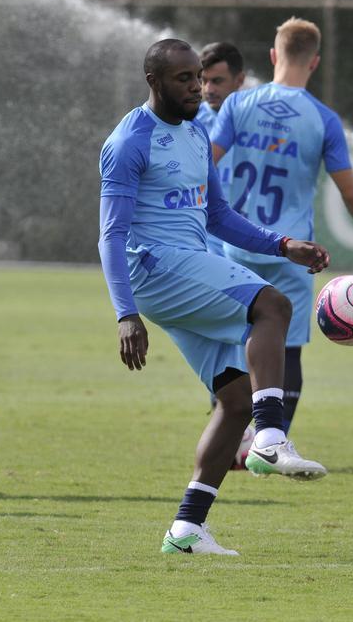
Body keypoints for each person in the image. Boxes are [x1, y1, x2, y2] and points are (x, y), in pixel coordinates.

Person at [99, 38, 330, 556]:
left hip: (186, 263)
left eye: (199, 78)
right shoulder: (129, 141)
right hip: (156, 268)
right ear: (154, 82)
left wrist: (283, 245)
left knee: (236, 399)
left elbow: (218, 216)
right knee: (273, 305)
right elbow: (110, 235)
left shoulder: (198, 133)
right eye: (184, 79)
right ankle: (270, 438)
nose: (197, 89)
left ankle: (187, 529)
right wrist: (125, 313)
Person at [211, 17, 353, 435]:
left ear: (274, 55)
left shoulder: (238, 104)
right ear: (315, 62)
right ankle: (273, 439)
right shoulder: (323, 119)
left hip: (237, 247)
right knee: (286, 349)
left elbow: (205, 165)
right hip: (291, 253)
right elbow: (350, 192)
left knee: (234, 344)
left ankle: (230, 435)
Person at [193, 42, 246, 256]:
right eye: (203, 81)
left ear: (239, 80)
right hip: (203, 241)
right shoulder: (188, 122)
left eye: (217, 81)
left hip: (247, 241)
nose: (208, 89)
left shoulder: (258, 121)